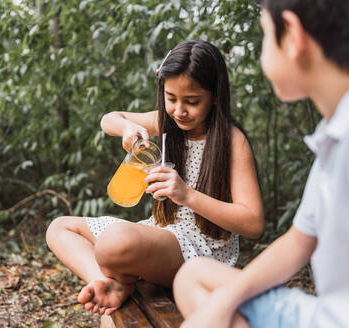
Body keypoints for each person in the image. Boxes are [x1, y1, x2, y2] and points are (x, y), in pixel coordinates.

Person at [173, 1, 349, 327]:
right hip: (331, 314)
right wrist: (223, 305)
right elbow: (299, 241)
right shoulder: (346, 126)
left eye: (265, 35)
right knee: (193, 276)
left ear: (293, 37)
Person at [46, 40, 264, 316]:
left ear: (216, 96)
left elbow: (253, 223)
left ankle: (121, 279)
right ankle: (105, 282)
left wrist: (187, 195)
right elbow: (108, 119)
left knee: (113, 242)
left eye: (192, 101)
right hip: (159, 233)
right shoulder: (166, 122)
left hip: (200, 250)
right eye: (171, 98)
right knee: (59, 228)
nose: (179, 110)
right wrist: (127, 127)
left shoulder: (233, 142)